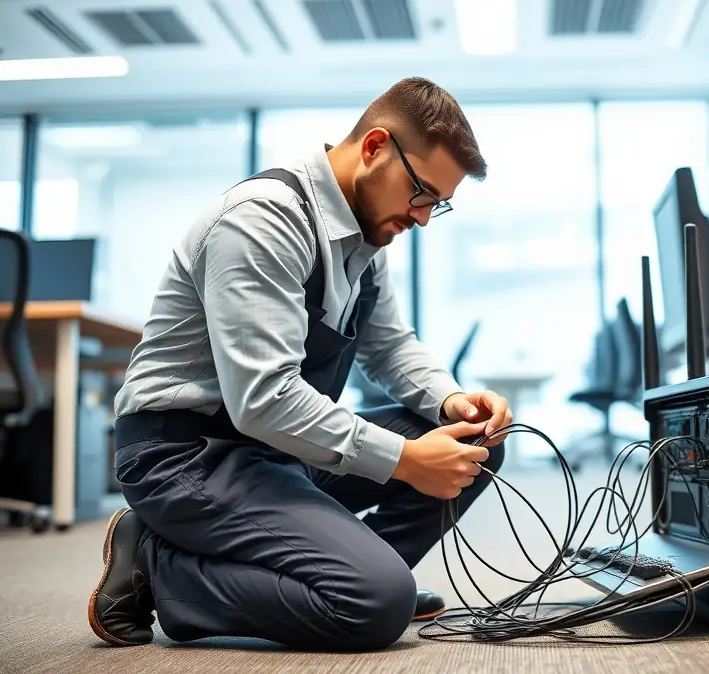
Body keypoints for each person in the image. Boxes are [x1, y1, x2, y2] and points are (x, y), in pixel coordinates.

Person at [87, 77, 512, 652]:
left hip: (274, 451)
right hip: (187, 456)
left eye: (439, 203)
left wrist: (449, 400)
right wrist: (406, 460)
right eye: (421, 194)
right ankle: (161, 567)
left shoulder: (366, 239)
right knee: (375, 605)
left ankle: (341, 570)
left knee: (473, 443)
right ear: (374, 148)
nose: (424, 218)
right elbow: (263, 398)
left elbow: (391, 348)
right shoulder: (260, 222)